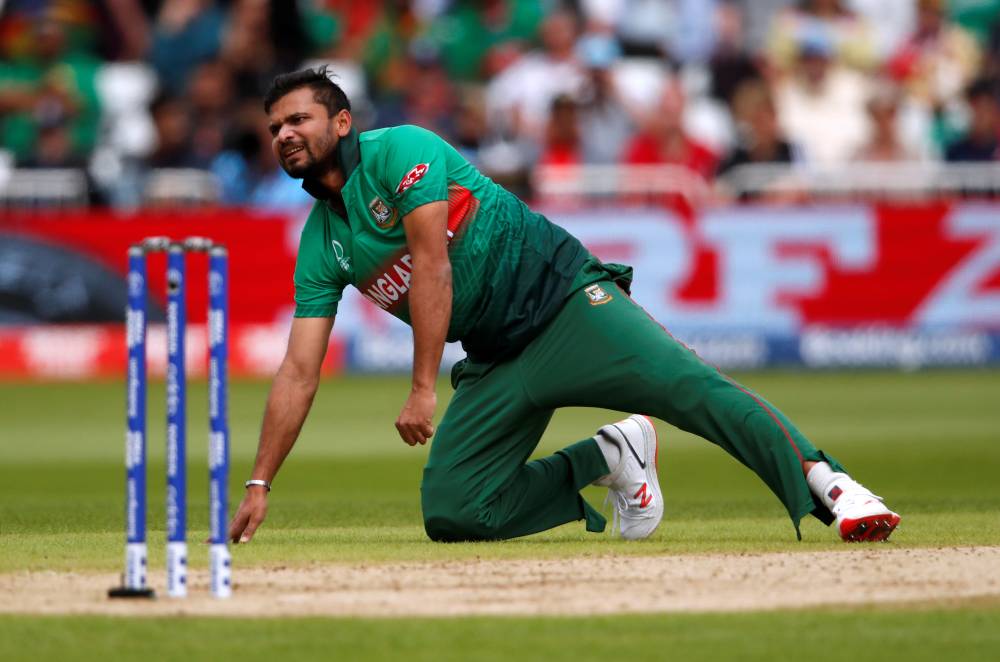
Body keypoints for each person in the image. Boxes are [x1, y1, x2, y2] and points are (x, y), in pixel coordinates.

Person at [227, 66, 900, 546]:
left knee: (692, 388)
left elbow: (432, 264)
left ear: (341, 122)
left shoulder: (400, 150)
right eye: (274, 126)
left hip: (567, 304)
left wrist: (422, 388)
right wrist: (260, 482)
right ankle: (611, 458)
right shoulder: (321, 242)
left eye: (298, 119)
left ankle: (833, 488)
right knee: (455, 509)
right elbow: (298, 370)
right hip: (497, 359)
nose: (284, 133)